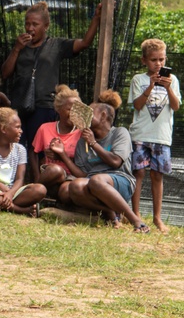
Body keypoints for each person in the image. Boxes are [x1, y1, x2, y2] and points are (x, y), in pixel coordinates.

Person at [1, 1, 101, 148]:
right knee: (17, 147)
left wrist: (96, 18)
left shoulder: (56, 44)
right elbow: (5, 73)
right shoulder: (20, 46)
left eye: (35, 24)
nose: (30, 28)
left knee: (40, 148)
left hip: (44, 106)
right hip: (20, 105)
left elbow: (85, 43)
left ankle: (41, 172)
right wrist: (16, 49)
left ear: (46, 26)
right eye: (27, 24)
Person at [53, 91, 149, 232]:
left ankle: (135, 220)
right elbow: (82, 174)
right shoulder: (82, 142)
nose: (85, 114)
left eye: (90, 112)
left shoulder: (119, 133)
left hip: (120, 180)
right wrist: (63, 155)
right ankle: (108, 212)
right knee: (74, 186)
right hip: (93, 183)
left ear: (103, 116)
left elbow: (116, 162)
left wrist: (93, 143)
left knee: (96, 181)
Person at [129, 38, 179, 232]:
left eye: (161, 59)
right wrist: (150, 86)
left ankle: (158, 218)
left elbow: (175, 106)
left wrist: (167, 88)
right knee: (138, 173)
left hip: (161, 136)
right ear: (144, 61)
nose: (158, 64)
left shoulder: (172, 80)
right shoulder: (138, 79)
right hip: (141, 134)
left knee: (157, 175)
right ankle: (136, 215)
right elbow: (137, 105)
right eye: (153, 60)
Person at [0, 105, 47, 216]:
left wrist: (10, 193)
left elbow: (20, 179)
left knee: (40, 189)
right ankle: (19, 210)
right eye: (17, 127)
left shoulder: (20, 149)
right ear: (3, 129)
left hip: (14, 191)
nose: (21, 131)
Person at [31, 85, 83, 196]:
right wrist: (37, 176)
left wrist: (61, 156)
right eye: (69, 109)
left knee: (66, 192)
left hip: (71, 178)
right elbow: (33, 152)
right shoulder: (45, 128)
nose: (73, 113)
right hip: (49, 175)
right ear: (58, 109)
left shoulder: (83, 133)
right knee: (55, 170)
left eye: (76, 109)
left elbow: (85, 165)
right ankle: (34, 191)